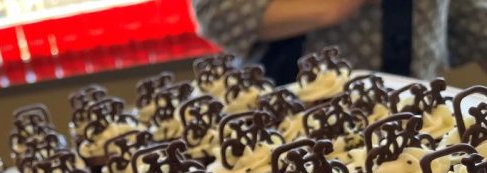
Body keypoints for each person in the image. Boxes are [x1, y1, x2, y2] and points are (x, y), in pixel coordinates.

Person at [191, 0, 487, 84]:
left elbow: (463, 18)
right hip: (295, 139)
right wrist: (333, 6)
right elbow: (215, 11)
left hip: (417, 127)